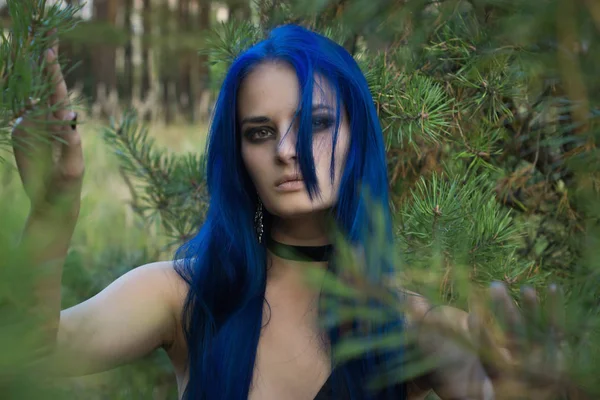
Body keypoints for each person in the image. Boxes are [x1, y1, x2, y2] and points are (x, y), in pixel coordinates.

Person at [11, 24, 565, 400]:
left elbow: (486, 383)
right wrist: (52, 215)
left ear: (357, 139)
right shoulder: (183, 296)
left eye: (317, 123)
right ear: (240, 157)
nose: (285, 149)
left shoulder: (407, 325)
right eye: (260, 132)